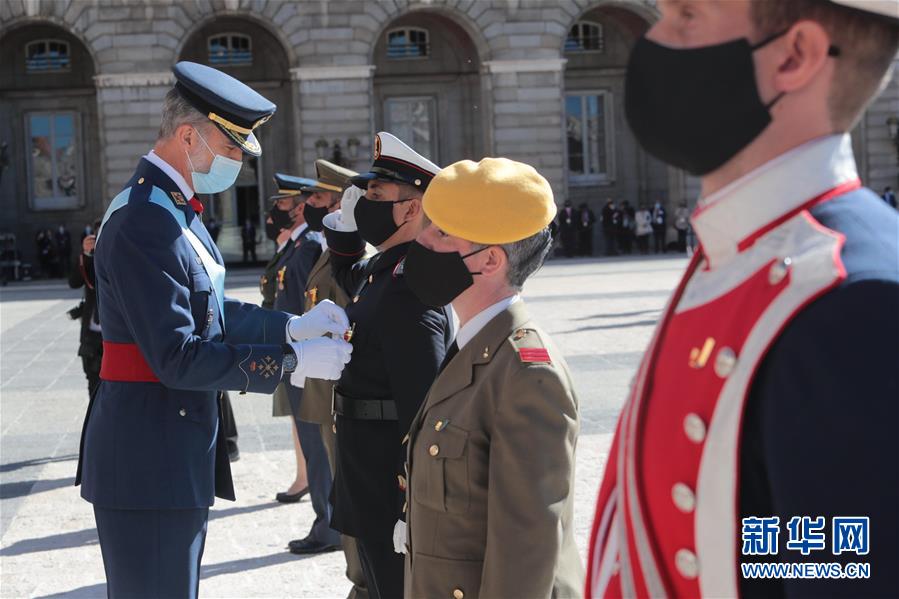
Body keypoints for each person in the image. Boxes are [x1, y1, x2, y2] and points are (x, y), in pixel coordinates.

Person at [587, 2, 899, 598]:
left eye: (684, 16)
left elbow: (840, 568)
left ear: (794, 56)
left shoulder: (856, 304)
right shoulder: (740, 249)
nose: (653, 39)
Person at [75, 61, 353, 599]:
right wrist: (291, 364)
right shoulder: (144, 218)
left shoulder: (173, 208)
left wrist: (291, 327)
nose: (236, 165)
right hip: (148, 455)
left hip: (169, 446)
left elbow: (208, 308)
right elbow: (177, 355)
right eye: (230, 150)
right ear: (187, 136)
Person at [400, 157, 583, 598]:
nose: (422, 238)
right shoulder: (475, 345)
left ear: (489, 261)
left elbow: (526, 550)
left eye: (441, 232)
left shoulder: (526, 372)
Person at [322, 132, 453, 599]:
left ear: (411, 209)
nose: (365, 204)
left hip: (388, 485)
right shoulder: (388, 268)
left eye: (376, 196)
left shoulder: (410, 288)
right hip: (366, 472)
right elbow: (349, 275)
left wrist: (410, 502)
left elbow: (424, 406)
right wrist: (341, 225)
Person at [290, 160, 371, 599]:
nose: (310, 206)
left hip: (340, 388)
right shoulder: (330, 248)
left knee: (349, 493)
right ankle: (358, 577)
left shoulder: (356, 253)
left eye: (320, 198)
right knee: (341, 490)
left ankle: (363, 581)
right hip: (324, 384)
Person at [264, 182, 315, 503]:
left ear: (299, 208)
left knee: (308, 420)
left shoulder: (307, 246)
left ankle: (311, 482)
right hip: (288, 344)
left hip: (302, 347)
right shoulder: (295, 246)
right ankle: (304, 476)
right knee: (298, 417)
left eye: (282, 206)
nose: (273, 214)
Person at [68, 219, 103, 398]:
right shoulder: (88, 258)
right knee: (93, 382)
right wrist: (86, 255)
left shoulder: (122, 256)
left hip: (115, 332)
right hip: (91, 332)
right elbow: (74, 282)